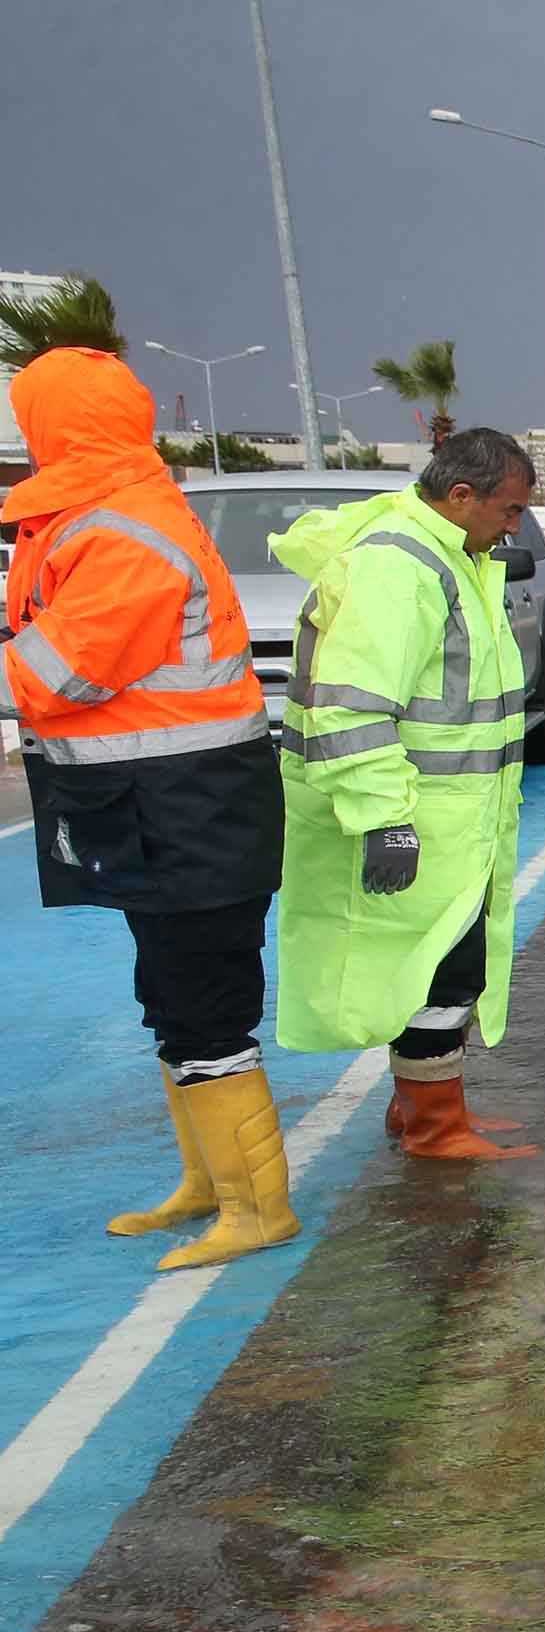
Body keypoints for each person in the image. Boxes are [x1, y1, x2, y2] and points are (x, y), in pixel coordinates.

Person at [2, 343, 295, 1264]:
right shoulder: (93, 517)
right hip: (152, 803)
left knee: (207, 1006)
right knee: (167, 997)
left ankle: (259, 1208)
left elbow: (63, 672)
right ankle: (209, 1184)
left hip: (190, 806)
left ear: (56, 427)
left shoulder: (123, 530)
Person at [270, 428, 538, 1159]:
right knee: (440, 975)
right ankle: (434, 1127)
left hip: (453, 819)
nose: (514, 527)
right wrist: (386, 820)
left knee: (438, 963)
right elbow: (352, 705)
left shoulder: (450, 558)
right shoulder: (400, 568)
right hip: (415, 815)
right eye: (509, 510)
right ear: (460, 496)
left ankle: (419, 1107)